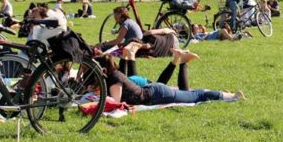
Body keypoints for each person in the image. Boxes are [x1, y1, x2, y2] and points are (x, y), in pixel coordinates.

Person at [103, 51, 244, 106]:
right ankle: (181, 61)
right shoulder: (115, 75)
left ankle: (233, 96)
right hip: (155, 91)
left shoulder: (115, 78)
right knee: (192, 93)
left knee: (197, 95)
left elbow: (114, 103)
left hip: (157, 94)